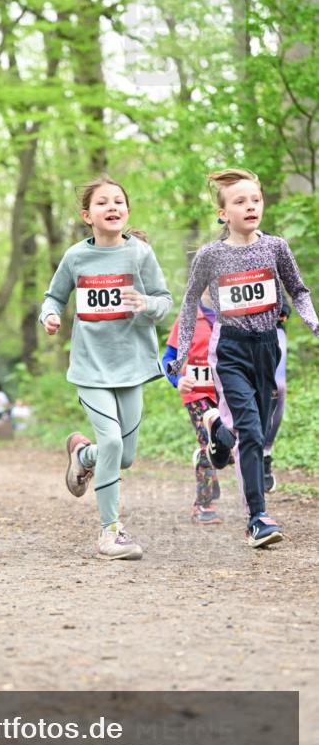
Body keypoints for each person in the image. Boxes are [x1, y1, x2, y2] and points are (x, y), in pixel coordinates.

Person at [168, 168, 319, 548]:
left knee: (256, 428)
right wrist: (182, 353)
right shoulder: (211, 256)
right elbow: (189, 304)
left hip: (268, 346)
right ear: (223, 214)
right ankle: (258, 519)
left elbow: (298, 291)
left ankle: (218, 430)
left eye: (256, 199)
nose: (251, 206)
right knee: (251, 430)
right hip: (231, 349)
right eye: (240, 201)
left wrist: (315, 324)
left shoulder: (276, 247)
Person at [41, 176, 171, 560]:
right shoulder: (76, 257)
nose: (112, 207)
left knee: (124, 455)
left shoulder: (140, 254)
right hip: (90, 367)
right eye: (102, 203)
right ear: (87, 215)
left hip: (131, 367)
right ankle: (109, 533)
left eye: (118, 201)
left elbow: (164, 301)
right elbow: (53, 297)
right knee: (112, 443)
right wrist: (49, 316)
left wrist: (145, 304)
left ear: (127, 212)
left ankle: (82, 456)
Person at [163, 291, 222, 524]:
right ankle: (203, 504)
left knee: (229, 447)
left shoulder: (234, 313)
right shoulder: (188, 317)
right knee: (208, 441)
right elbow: (168, 358)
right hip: (197, 393)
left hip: (228, 393)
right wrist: (178, 380)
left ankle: (209, 459)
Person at [263, 299, 290, 493]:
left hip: (274, 333)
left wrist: (283, 311)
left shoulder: (272, 269)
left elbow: (284, 302)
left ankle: (265, 454)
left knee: (277, 389)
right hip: (240, 336)